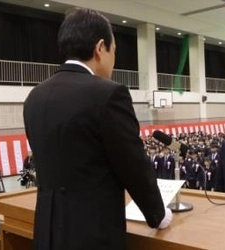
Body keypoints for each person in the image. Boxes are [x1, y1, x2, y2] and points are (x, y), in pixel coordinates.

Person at [23, 9, 171, 250]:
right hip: (91, 233)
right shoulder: (108, 94)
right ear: (100, 48)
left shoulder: (35, 96)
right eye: (114, 51)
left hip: (47, 231)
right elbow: (133, 164)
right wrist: (157, 214)